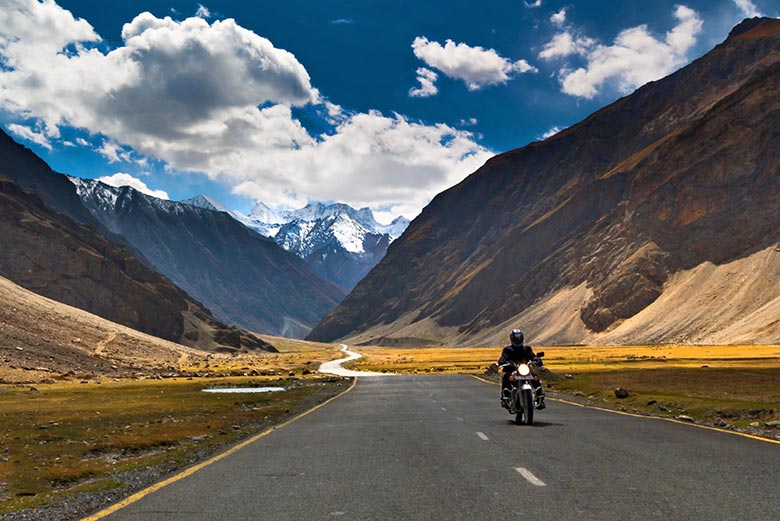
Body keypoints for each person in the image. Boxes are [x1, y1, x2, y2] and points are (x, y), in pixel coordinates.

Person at [497, 329, 545, 409]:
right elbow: (503, 358)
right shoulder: (508, 350)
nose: (517, 340)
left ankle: (539, 398)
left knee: (535, 377)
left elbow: (533, 356)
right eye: (516, 339)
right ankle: (505, 398)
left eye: (519, 338)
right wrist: (503, 362)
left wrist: (537, 360)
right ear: (512, 339)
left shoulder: (527, 349)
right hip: (513, 370)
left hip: (525, 369)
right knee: (506, 377)